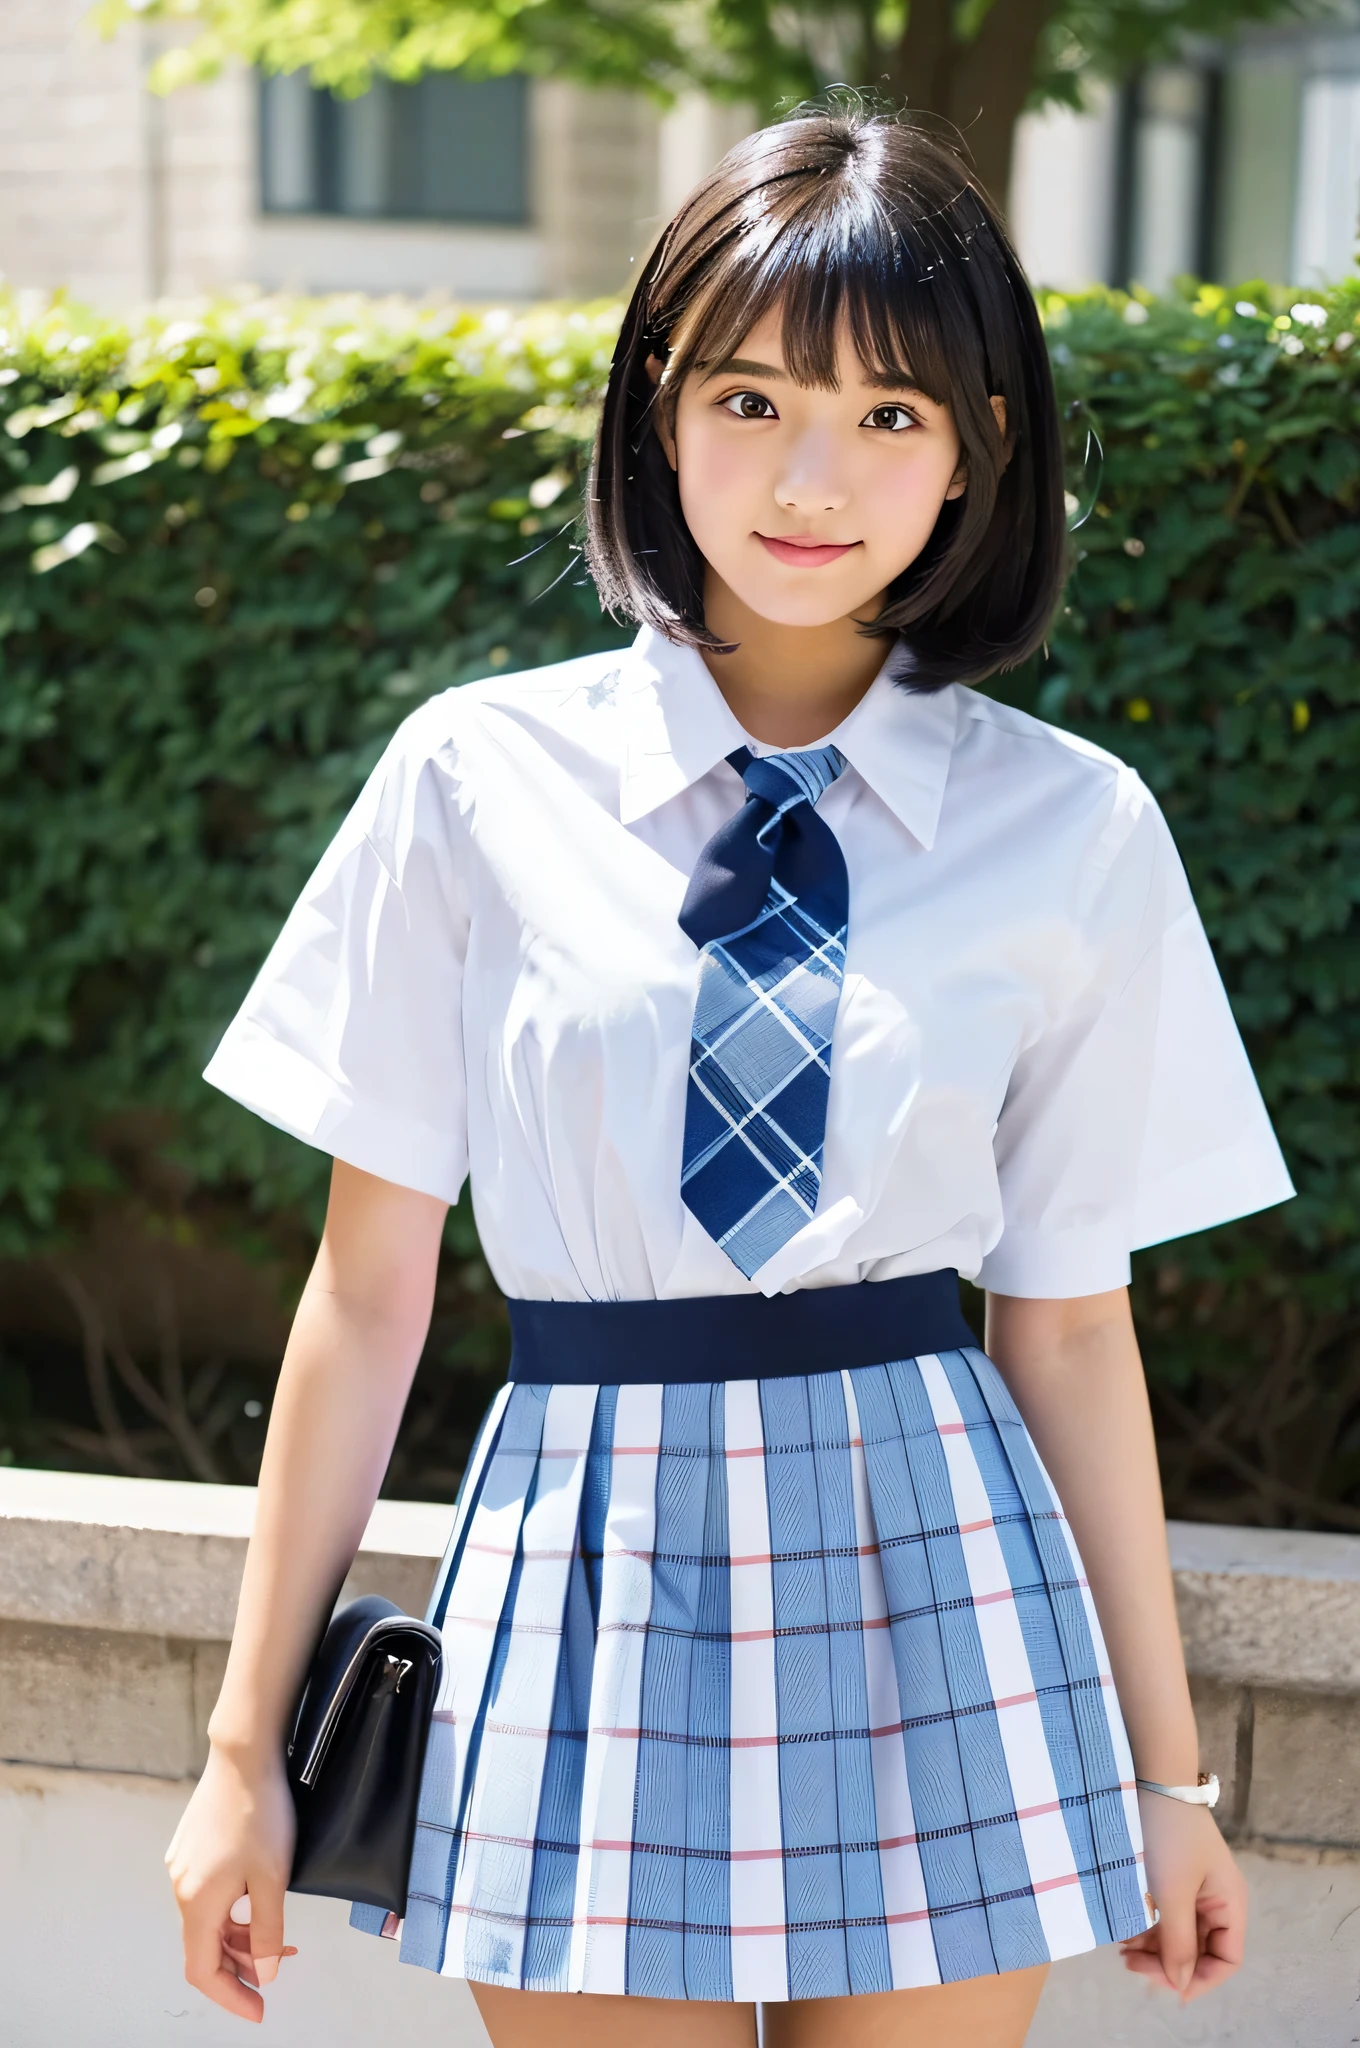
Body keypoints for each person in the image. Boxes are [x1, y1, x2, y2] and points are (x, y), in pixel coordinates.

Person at [165, 107, 1293, 2048]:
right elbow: (365, 1295)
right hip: (584, 1565)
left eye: (887, 417)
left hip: (934, 1563)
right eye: (749, 396)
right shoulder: (469, 777)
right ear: (652, 410)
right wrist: (238, 1747)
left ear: (976, 453)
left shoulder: (1071, 827)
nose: (806, 476)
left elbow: (1068, 1331)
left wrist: (1167, 1780)